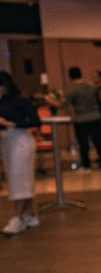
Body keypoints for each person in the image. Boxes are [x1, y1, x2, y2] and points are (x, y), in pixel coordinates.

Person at [0, 72, 41, 235]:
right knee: (18, 178)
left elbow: (35, 121)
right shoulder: (2, 101)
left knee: (20, 178)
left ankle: (18, 217)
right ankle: (29, 215)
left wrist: (11, 124)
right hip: (7, 142)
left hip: (21, 141)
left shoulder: (20, 100)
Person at [64, 66, 101, 169]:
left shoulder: (72, 89)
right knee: (98, 141)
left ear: (70, 76)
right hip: (95, 117)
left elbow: (64, 103)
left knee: (83, 143)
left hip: (81, 119)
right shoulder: (91, 85)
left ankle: (86, 163)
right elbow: (100, 100)